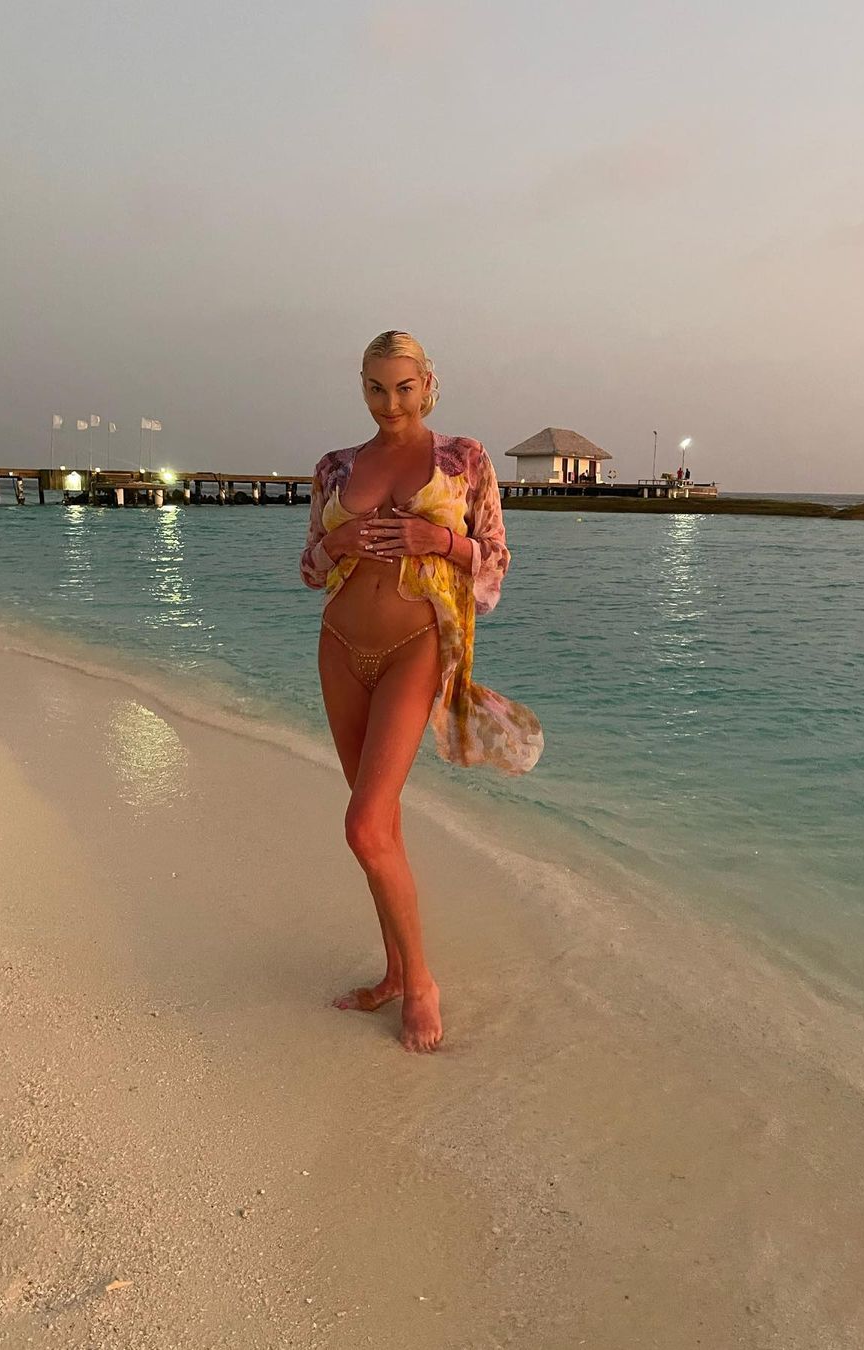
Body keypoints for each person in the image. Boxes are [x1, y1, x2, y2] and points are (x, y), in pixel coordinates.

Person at [299, 331, 543, 1052]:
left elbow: (496, 558)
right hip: (340, 648)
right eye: (376, 387)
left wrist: (439, 542)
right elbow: (309, 569)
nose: (390, 402)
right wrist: (334, 545)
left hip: (415, 648)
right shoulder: (335, 466)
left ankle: (424, 983)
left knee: (363, 827)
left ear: (429, 383)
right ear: (362, 386)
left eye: (404, 387)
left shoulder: (464, 457)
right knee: (382, 826)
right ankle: (394, 973)